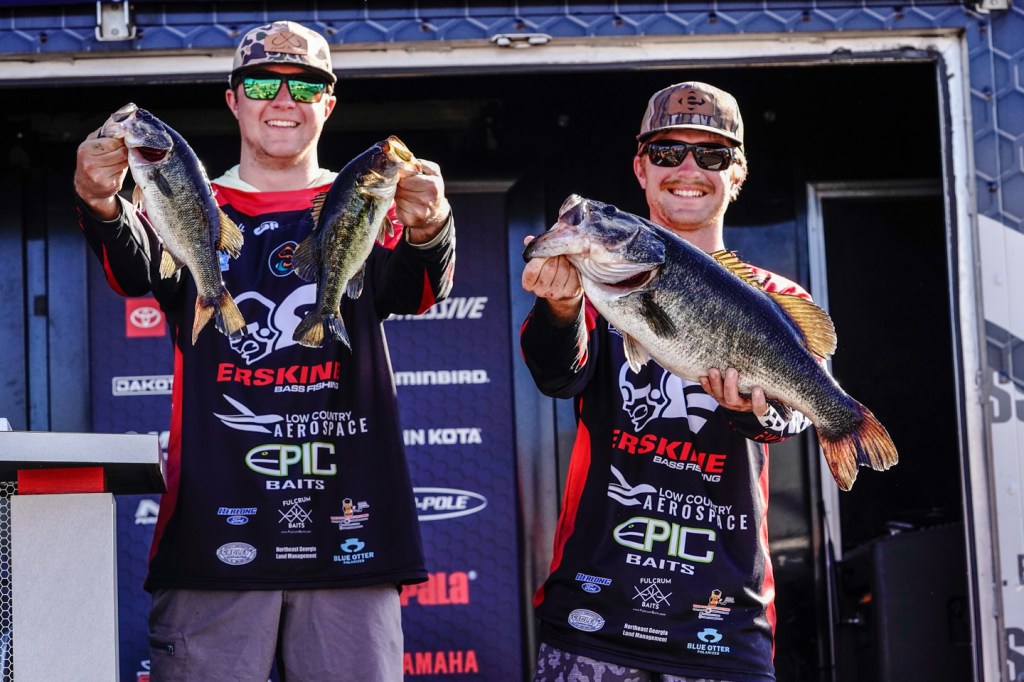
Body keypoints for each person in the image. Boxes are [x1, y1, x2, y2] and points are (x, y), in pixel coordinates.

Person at [73, 20, 454, 681]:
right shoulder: (192, 195)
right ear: (233, 100)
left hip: (353, 532)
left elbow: (417, 290)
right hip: (210, 535)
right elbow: (133, 270)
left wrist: (432, 226)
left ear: (328, 104)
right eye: (261, 84)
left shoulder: (366, 193)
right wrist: (99, 199)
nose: (282, 99)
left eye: (304, 86)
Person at [521, 81, 812, 682]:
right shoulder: (595, 278)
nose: (688, 169)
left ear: (737, 174)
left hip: (726, 621)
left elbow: (793, 417)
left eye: (712, 155)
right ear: (641, 168)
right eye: (667, 151)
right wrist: (560, 309)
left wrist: (750, 409)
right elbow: (557, 376)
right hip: (593, 612)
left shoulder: (777, 298)